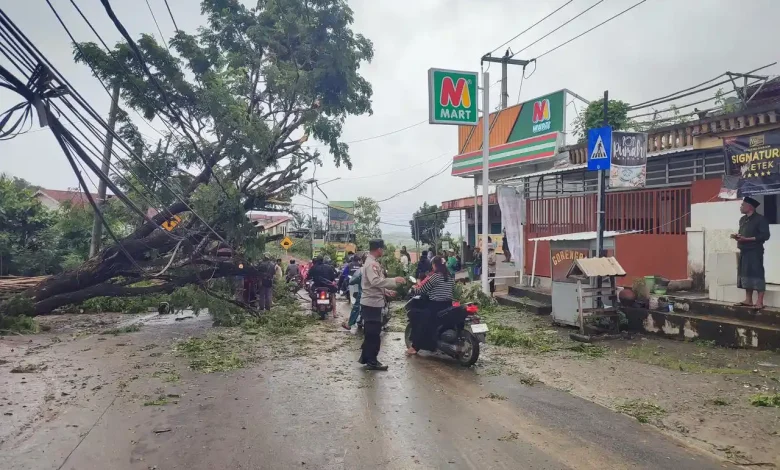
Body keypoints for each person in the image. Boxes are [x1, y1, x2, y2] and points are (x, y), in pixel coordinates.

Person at [359, 239, 405, 371]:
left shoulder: (371, 262)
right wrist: (393, 280)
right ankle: (372, 361)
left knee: (371, 332)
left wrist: (386, 291)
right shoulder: (371, 264)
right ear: (378, 249)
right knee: (373, 333)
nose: (383, 251)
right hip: (371, 303)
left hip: (372, 302)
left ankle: (367, 358)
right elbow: (374, 281)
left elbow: (373, 284)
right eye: (382, 249)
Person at [406, 256, 455, 355]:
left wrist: (415, 289)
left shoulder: (435, 276)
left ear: (434, 265)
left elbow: (423, 289)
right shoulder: (449, 277)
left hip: (435, 306)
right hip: (448, 305)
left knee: (419, 319)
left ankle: (415, 347)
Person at [731, 196, 771, 309]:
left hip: (755, 251)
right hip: (744, 250)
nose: (741, 207)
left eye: (743, 205)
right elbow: (742, 233)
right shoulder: (742, 220)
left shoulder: (760, 219)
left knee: (757, 274)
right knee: (745, 274)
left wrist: (747, 239)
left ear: (750, 207)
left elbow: (765, 236)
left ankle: (759, 301)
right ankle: (748, 300)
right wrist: (738, 237)